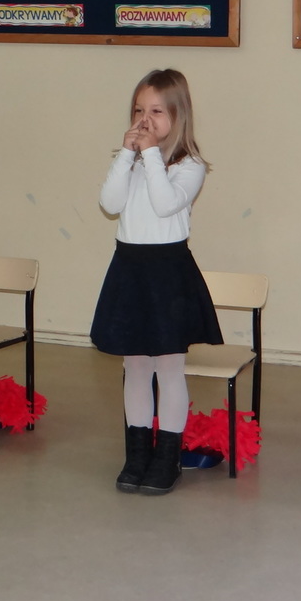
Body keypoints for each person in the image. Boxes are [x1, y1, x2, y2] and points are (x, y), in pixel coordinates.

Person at [91, 69, 222, 495]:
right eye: (138, 111)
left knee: (168, 367)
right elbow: (109, 203)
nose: (145, 120)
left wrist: (148, 155)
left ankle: (168, 457)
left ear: (178, 116)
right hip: (130, 268)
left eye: (156, 112)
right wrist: (126, 157)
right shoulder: (131, 162)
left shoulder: (190, 166)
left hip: (167, 271)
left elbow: (165, 204)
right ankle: (137, 455)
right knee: (135, 366)